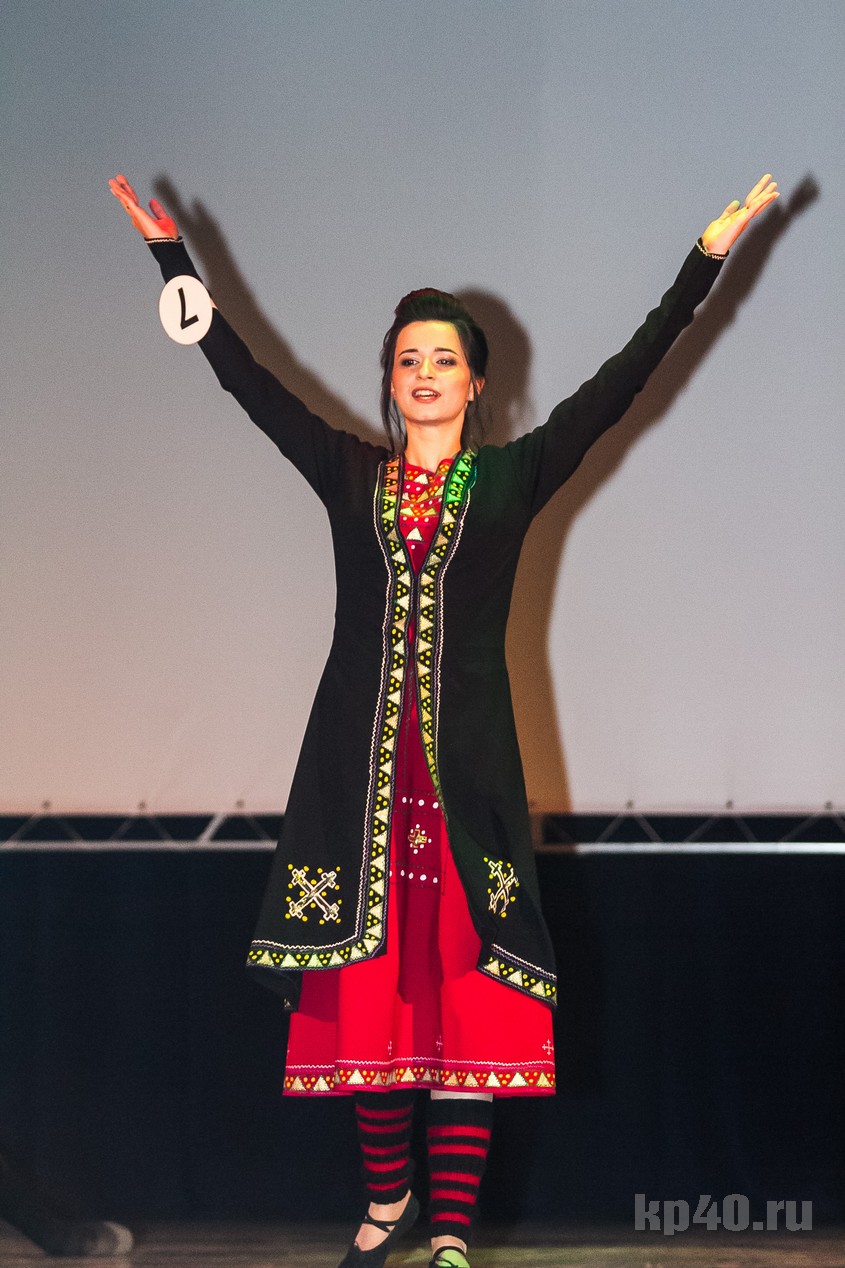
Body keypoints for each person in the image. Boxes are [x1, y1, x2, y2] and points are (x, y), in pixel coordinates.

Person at [109, 171, 778, 1268]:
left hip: (464, 792)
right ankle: (387, 1204)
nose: (423, 373)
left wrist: (700, 263)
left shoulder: (513, 479)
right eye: (407, 360)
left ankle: (453, 1230)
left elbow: (625, 378)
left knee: (469, 1007)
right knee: (366, 996)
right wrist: (172, 261)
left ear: (475, 383)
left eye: (443, 360)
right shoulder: (348, 474)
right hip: (360, 790)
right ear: (391, 381)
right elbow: (247, 383)